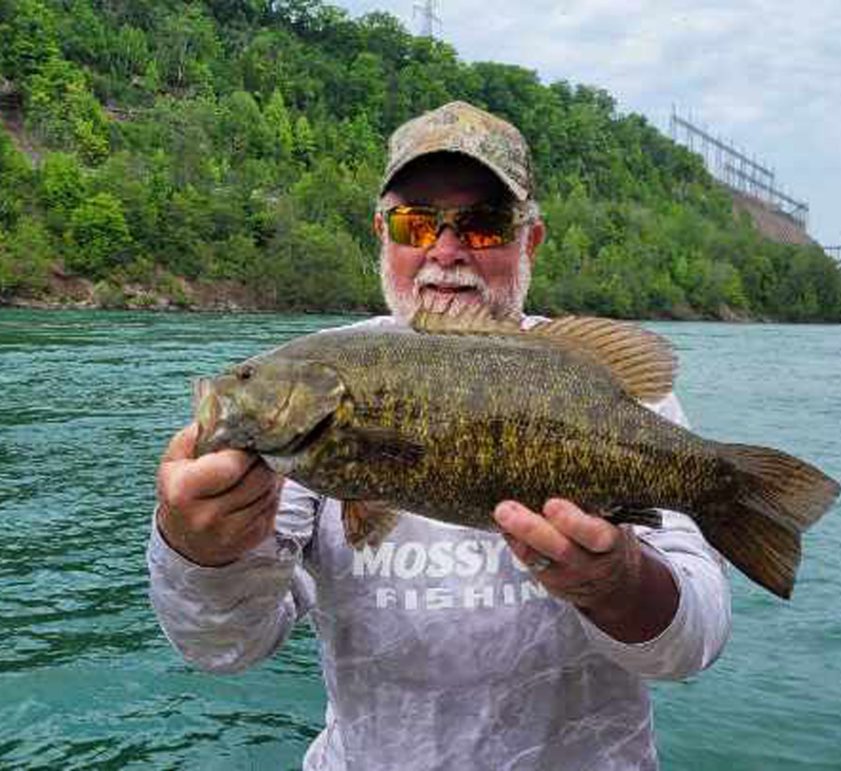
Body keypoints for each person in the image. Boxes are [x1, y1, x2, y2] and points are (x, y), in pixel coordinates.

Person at [149, 101, 731, 770]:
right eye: (416, 223)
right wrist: (198, 549)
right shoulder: (321, 405)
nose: (446, 251)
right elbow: (223, 645)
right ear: (381, 234)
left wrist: (619, 581)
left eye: (483, 226)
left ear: (529, 240)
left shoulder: (599, 383)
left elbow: (692, 644)